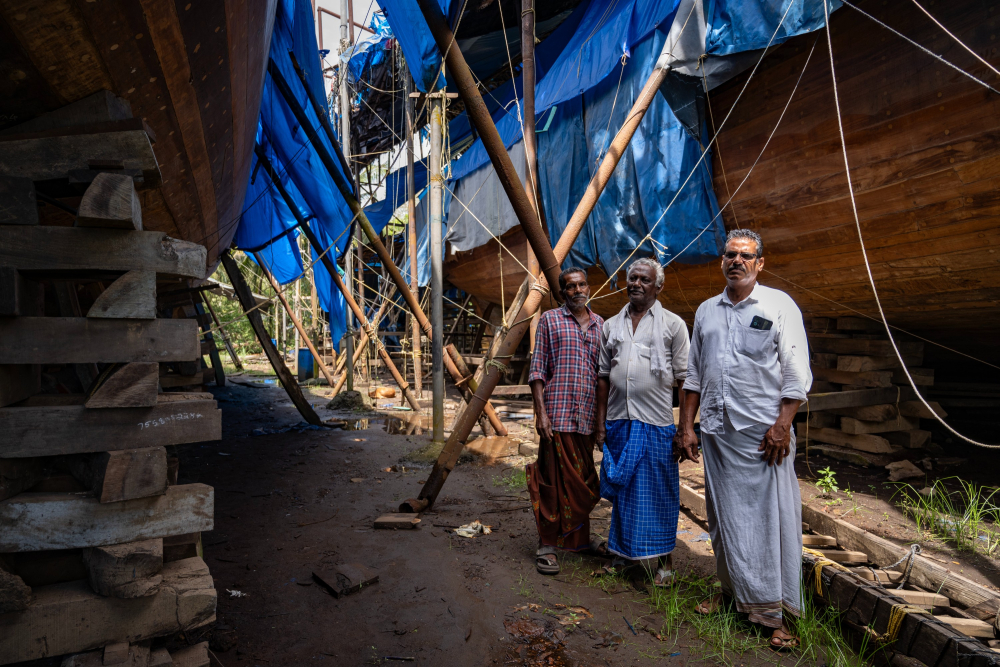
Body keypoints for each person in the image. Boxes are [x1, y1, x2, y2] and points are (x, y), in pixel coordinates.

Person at [677, 229, 812, 648]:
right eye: (730, 254)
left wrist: (783, 424)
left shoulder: (778, 305)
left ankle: (779, 611)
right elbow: (694, 373)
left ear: (760, 263)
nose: (736, 261)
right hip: (718, 431)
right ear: (722, 261)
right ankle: (731, 592)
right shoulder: (706, 311)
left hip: (764, 435)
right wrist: (687, 426)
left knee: (773, 520)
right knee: (724, 521)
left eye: (745, 255)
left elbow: (796, 369)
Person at [595, 257, 690, 586]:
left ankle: (665, 564)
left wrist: (685, 429)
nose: (635, 283)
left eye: (644, 280)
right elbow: (603, 377)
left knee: (660, 495)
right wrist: (600, 423)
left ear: (658, 286)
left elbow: (685, 380)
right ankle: (622, 558)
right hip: (620, 422)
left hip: (656, 424)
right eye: (632, 278)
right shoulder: (611, 325)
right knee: (623, 495)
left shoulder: (673, 325)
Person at [527, 266, 605, 575]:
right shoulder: (549, 320)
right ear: (562, 293)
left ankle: (579, 539)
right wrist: (540, 413)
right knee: (552, 482)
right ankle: (547, 543)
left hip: (586, 418)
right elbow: (537, 371)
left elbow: (604, 378)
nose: (577, 290)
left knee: (583, 482)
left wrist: (602, 423)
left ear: (589, 287)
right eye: (570, 287)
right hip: (556, 416)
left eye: (582, 285)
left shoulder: (601, 325)